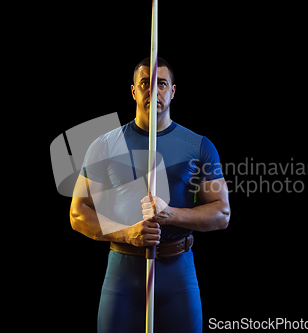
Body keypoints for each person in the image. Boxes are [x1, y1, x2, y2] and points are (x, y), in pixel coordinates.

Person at [70, 57, 230, 333]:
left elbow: (222, 213)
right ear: (133, 91)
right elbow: (78, 212)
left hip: (178, 275)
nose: (154, 91)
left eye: (162, 84)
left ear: (173, 90)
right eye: (146, 83)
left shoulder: (198, 146)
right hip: (123, 273)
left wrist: (171, 214)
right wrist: (125, 233)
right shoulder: (104, 145)